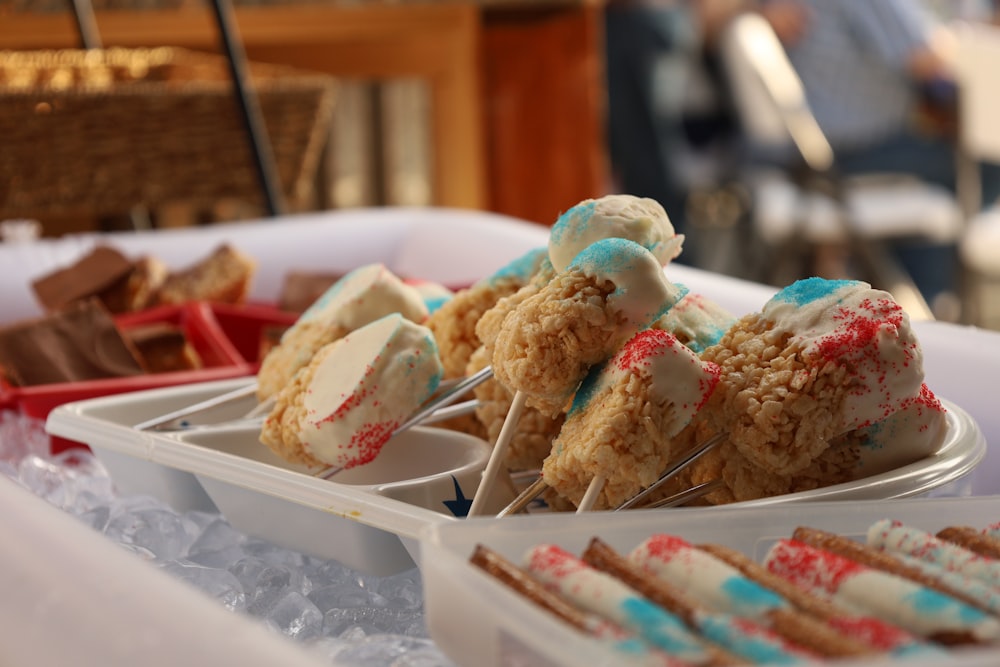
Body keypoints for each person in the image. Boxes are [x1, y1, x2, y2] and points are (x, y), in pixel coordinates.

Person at [754, 0, 1000, 316]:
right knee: (985, 162)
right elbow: (927, 59)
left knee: (951, 161)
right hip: (847, 152)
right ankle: (932, 299)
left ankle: (917, 291)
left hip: (813, 151)